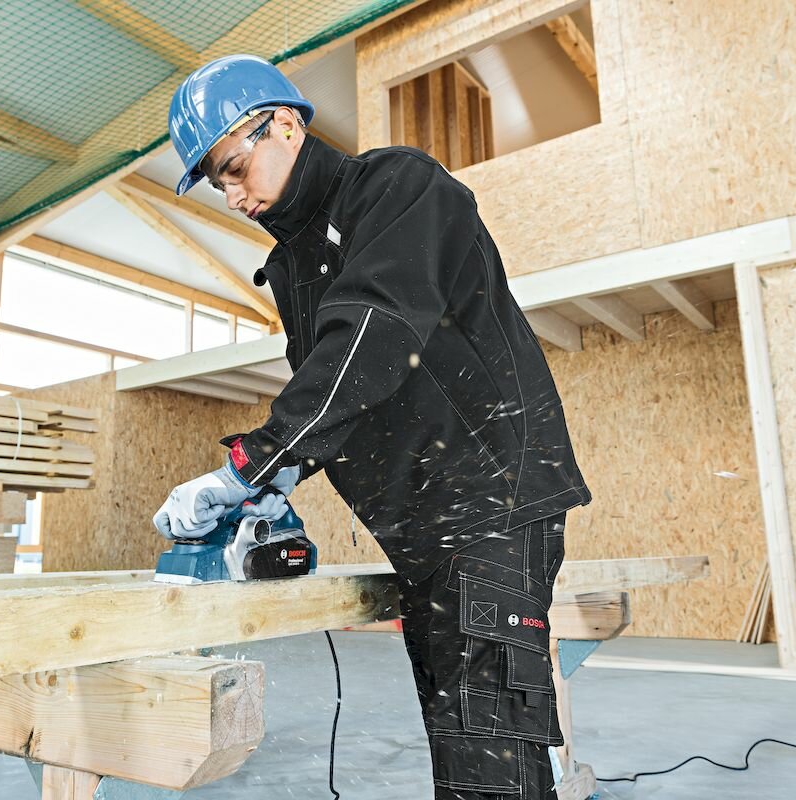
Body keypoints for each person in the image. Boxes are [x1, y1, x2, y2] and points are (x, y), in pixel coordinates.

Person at [154, 54, 591, 800]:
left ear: (284, 124)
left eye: (234, 169)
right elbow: (340, 395)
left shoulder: (397, 189)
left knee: (489, 758)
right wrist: (281, 478)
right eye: (217, 183)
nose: (232, 196)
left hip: (489, 503)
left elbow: (372, 338)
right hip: (424, 526)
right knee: (466, 745)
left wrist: (253, 463)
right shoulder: (296, 265)